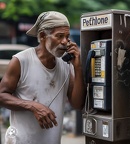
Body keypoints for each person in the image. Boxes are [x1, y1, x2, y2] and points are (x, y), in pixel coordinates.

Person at [0, 11, 86, 144]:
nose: (65, 42)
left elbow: (77, 104)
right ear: (42, 36)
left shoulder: (65, 65)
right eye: (59, 36)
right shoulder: (21, 60)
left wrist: (78, 68)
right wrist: (33, 106)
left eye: (67, 36)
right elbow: (1, 95)